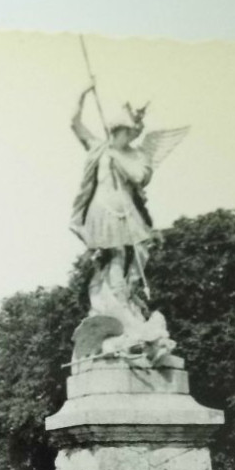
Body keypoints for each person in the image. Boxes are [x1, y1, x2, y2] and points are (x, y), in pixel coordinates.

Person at [68, 87, 189, 333]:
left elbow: (140, 177)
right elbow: (75, 123)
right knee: (115, 255)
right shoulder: (97, 148)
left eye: (134, 133)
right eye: (128, 132)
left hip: (128, 212)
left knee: (140, 254)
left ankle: (128, 299)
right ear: (118, 130)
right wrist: (82, 97)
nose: (132, 137)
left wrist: (118, 157)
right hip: (102, 211)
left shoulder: (135, 155)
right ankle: (115, 304)